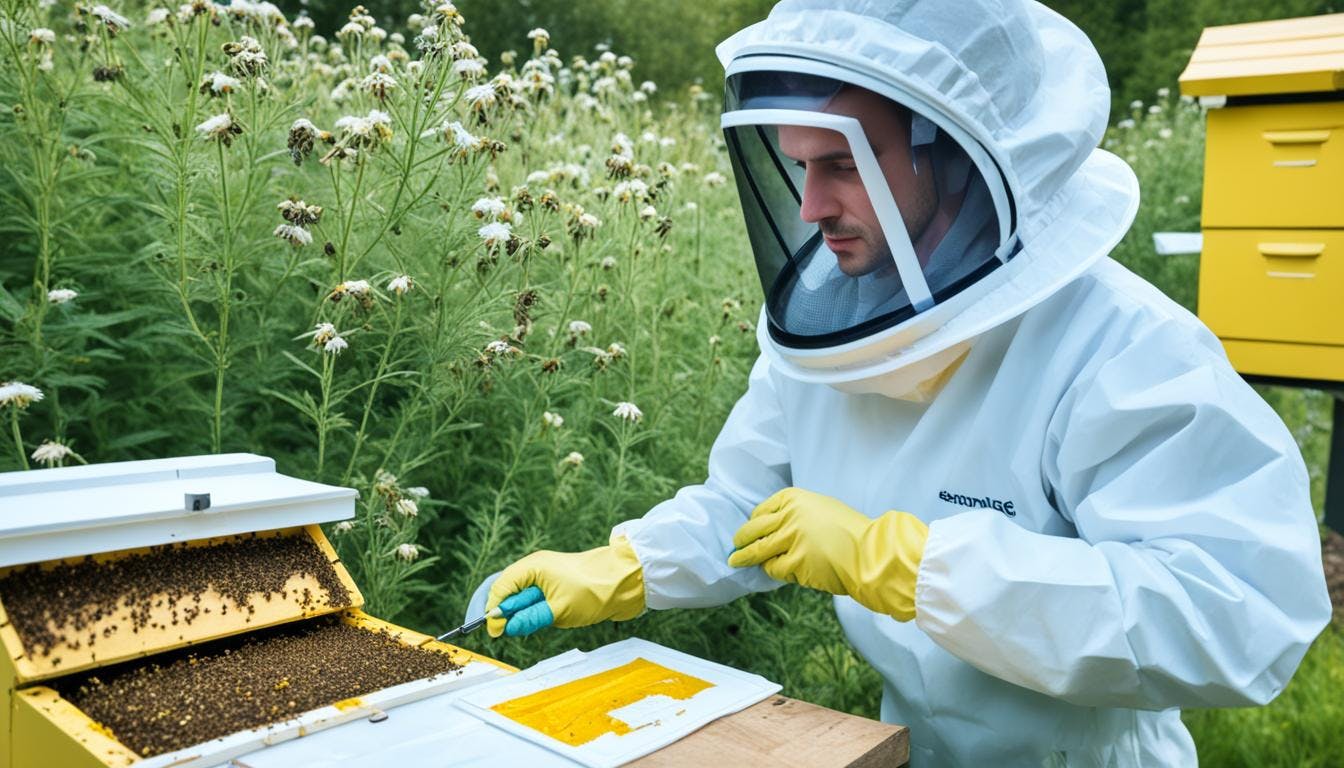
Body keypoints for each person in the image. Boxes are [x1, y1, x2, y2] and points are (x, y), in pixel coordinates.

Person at [470, 1, 1333, 764]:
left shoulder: (1123, 350)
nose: (809, 208)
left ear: (955, 155)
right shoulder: (837, 328)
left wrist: (913, 565)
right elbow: (747, 508)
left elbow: (1235, 617)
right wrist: (623, 569)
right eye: (798, 166)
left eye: (841, 165)